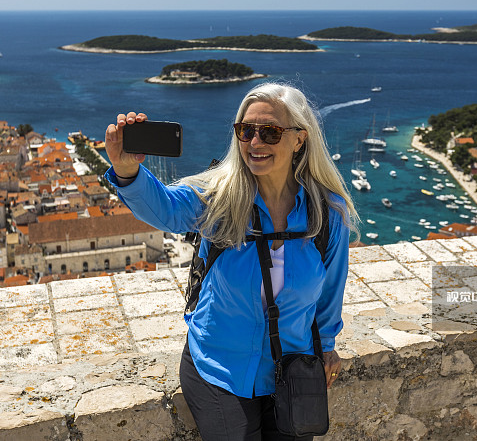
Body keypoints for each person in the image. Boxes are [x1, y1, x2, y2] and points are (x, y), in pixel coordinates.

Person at [104, 82, 358, 441]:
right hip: (218, 365)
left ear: (299, 139)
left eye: (269, 132)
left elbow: (332, 287)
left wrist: (327, 345)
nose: (255, 143)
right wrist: (127, 171)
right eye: (245, 130)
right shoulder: (219, 198)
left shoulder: (327, 214)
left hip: (291, 368)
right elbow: (166, 209)